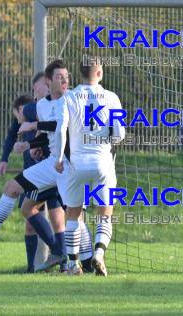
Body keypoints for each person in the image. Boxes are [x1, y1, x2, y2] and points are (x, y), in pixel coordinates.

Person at [0, 61, 69, 273]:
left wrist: (33, 125)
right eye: (59, 77)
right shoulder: (41, 105)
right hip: (51, 165)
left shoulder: (71, 99)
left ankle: (81, 261)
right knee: (12, 189)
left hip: (70, 165)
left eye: (66, 77)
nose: (64, 80)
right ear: (47, 82)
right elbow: (26, 121)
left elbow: (61, 126)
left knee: (68, 215)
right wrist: (30, 143)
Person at [54, 61, 125, 276]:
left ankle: (74, 265)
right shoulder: (111, 98)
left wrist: (58, 158)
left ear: (80, 74)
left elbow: (60, 130)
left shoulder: (69, 97)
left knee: (74, 216)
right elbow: (119, 134)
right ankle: (99, 254)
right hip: (103, 162)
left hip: (77, 164)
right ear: (100, 72)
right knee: (104, 215)